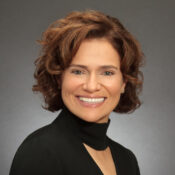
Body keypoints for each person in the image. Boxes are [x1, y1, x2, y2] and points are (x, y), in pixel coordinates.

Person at [9, 10, 144, 175]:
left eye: (107, 72)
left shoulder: (127, 160)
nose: (91, 86)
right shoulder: (40, 152)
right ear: (59, 78)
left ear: (124, 82)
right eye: (78, 71)